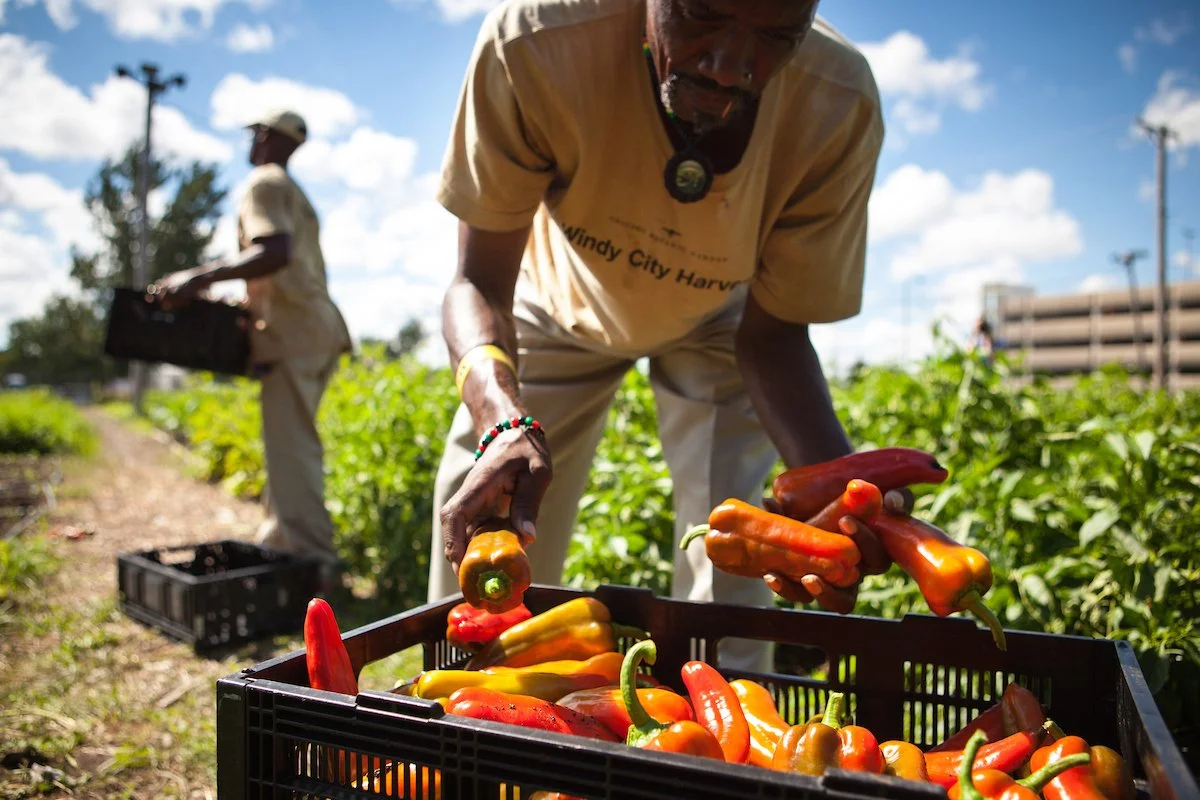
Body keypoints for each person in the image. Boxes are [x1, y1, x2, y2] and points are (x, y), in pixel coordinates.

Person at [428, 0, 898, 671]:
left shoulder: (836, 103)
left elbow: (773, 337)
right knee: (490, 522)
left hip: (722, 324)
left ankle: (720, 744)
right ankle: (469, 719)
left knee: (731, 560)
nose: (732, 64)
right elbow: (477, 282)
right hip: (559, 305)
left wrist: (842, 492)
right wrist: (499, 418)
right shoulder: (538, 43)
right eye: (704, 14)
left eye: (776, 37)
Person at [153, 109, 352, 582]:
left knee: (293, 449)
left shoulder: (263, 183)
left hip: (294, 335)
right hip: (310, 330)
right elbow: (285, 266)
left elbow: (274, 252)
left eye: (255, 132)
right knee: (290, 444)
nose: (252, 141)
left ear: (265, 136)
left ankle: (312, 563)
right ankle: (281, 543)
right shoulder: (291, 188)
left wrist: (196, 278)